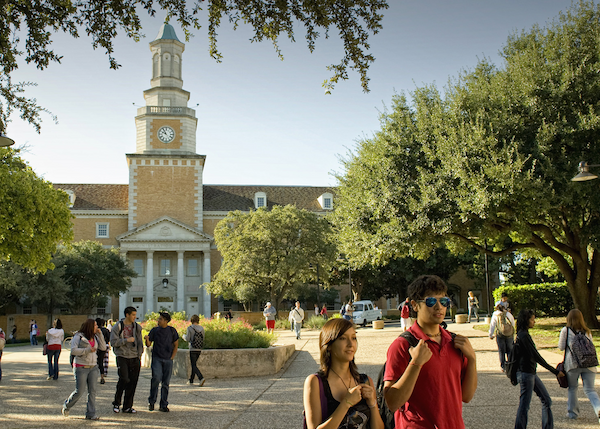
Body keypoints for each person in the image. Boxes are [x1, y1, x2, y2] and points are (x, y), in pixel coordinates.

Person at [384, 275, 477, 429]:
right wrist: (415, 363)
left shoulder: (455, 344)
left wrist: (472, 359)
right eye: (431, 301)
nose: (439, 307)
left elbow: (466, 396)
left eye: (444, 301)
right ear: (414, 305)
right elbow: (392, 403)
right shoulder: (403, 345)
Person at [303, 318, 384, 429]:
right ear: (329, 345)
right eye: (343, 338)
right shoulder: (315, 383)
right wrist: (346, 403)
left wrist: (373, 405)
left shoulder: (366, 381)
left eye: (354, 338)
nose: (351, 344)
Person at [514, 309, 563, 429]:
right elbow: (536, 356)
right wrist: (555, 371)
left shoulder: (523, 334)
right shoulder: (523, 336)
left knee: (546, 400)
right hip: (526, 374)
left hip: (530, 373)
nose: (534, 321)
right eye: (532, 319)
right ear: (526, 320)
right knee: (524, 405)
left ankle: (547, 426)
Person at [558, 308, 600, 421]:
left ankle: (572, 414)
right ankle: (598, 408)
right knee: (590, 389)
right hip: (589, 364)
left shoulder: (565, 331)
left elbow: (561, 347)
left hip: (572, 364)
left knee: (572, 388)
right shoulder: (587, 331)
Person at [62, 319, 107, 420]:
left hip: (93, 367)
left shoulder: (95, 336)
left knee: (92, 391)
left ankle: (91, 414)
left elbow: (103, 347)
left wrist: (100, 335)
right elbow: (73, 350)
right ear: (90, 326)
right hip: (81, 367)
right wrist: (87, 350)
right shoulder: (78, 336)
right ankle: (67, 405)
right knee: (80, 391)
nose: (97, 327)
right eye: (95, 326)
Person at [111, 306, 144, 414]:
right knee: (124, 379)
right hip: (122, 356)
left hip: (134, 357)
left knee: (133, 382)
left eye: (135, 314)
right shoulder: (118, 326)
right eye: (133, 315)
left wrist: (139, 354)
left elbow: (139, 342)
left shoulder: (137, 327)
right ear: (127, 315)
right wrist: (126, 340)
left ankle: (127, 406)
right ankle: (116, 403)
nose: (135, 317)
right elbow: (113, 342)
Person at [145, 312, 179, 412]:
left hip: (168, 359)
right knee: (156, 378)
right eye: (159, 319)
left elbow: (176, 344)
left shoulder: (172, 331)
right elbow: (148, 344)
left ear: (165, 321)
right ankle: (152, 401)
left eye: (160, 319)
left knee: (166, 383)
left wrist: (172, 357)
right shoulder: (154, 330)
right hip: (157, 358)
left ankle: (163, 404)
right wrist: (147, 339)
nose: (158, 320)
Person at [488, 304, 515, 372]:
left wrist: (490, 334)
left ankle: (503, 366)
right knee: (510, 350)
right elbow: (513, 323)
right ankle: (510, 365)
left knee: (501, 350)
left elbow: (492, 325)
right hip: (509, 334)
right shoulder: (508, 314)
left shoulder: (495, 314)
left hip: (500, 334)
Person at [186, 314, 205, 386]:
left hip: (192, 348)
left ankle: (201, 377)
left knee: (193, 364)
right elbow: (203, 338)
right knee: (194, 364)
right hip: (199, 348)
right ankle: (191, 380)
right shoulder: (202, 328)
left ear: (191, 320)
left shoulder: (190, 328)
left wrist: (183, 337)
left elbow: (188, 339)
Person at [95, 318, 111, 384]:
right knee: (104, 361)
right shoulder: (106, 330)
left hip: (95, 347)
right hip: (105, 346)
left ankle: (94, 376)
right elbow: (109, 338)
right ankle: (103, 374)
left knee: (96, 362)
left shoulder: (95, 330)